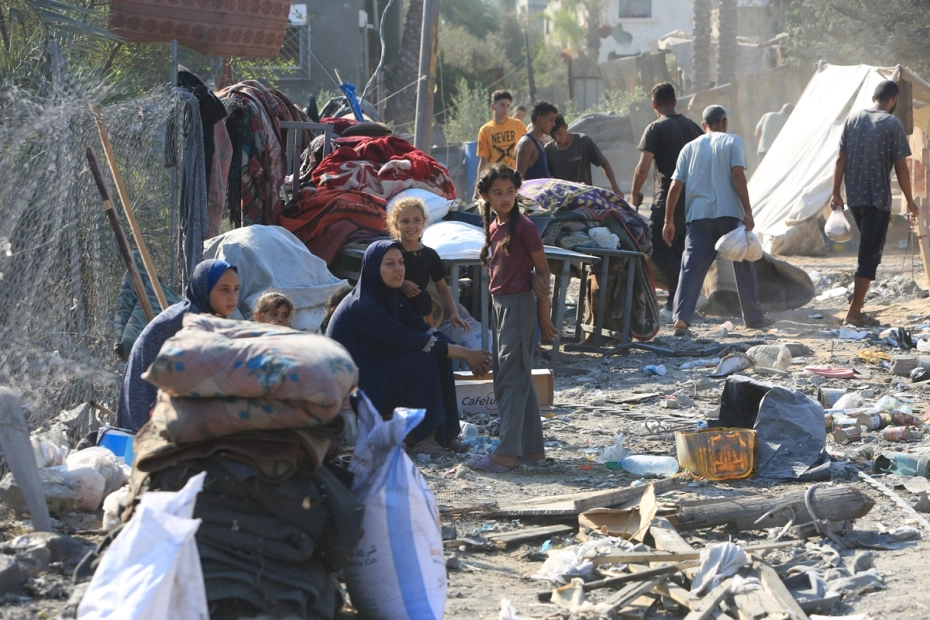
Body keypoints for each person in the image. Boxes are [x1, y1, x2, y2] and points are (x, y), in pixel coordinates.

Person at [326, 241, 492, 456]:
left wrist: (466, 353)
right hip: (353, 384)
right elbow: (413, 340)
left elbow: (425, 330)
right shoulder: (364, 305)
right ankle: (423, 438)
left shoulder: (392, 298)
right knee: (422, 360)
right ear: (374, 268)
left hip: (377, 370)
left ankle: (445, 435)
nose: (398, 269)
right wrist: (467, 354)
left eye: (401, 262)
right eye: (389, 263)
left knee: (438, 353)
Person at [471, 165, 557, 473]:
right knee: (516, 377)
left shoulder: (524, 227)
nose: (505, 198)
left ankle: (506, 453)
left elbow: (544, 274)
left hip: (519, 306)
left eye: (510, 192)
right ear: (485, 196)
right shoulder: (496, 224)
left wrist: (543, 318)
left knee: (510, 378)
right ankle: (532, 450)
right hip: (501, 306)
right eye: (498, 193)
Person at [663, 105, 772, 337]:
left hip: (698, 217)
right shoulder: (733, 142)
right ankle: (753, 317)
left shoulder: (688, 148)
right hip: (729, 214)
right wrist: (748, 210)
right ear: (724, 123)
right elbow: (737, 175)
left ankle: (681, 320)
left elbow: (675, 185)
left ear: (704, 126)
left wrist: (668, 220)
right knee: (742, 263)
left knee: (690, 268)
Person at [831, 80, 917, 327]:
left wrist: (836, 193)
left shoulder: (853, 118)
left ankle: (856, 300)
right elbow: (901, 167)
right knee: (869, 254)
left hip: (854, 198)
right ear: (894, 99)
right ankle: (854, 312)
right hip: (877, 199)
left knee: (868, 252)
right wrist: (910, 201)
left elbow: (840, 158)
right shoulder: (892, 124)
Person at [117, 259, 239, 431]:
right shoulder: (185, 322)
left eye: (236, 289)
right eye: (224, 289)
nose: (232, 296)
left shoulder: (204, 317)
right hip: (146, 417)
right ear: (205, 288)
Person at [630, 82, 705, 321]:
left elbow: (642, 168)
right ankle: (677, 304)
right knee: (680, 248)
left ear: (654, 105)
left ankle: (680, 288)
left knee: (656, 244)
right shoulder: (693, 127)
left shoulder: (655, 128)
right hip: (691, 201)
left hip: (666, 199)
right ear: (675, 101)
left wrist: (634, 194)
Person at [387, 197, 470, 330]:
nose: (411, 226)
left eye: (417, 220)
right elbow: (378, 279)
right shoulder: (389, 250)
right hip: (396, 315)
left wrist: (454, 313)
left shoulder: (429, 254)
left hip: (423, 316)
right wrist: (401, 284)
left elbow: (442, 288)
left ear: (424, 222)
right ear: (396, 224)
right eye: (405, 221)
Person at [546, 114, 623, 196]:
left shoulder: (583, 141)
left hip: (584, 195)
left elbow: (604, 163)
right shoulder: (549, 150)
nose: (557, 138)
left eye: (559, 133)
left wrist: (615, 188)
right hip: (561, 197)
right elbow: (546, 178)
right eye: (553, 136)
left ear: (566, 127)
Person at [475, 90, 526, 197]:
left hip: (516, 177)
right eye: (502, 105)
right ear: (493, 107)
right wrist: (477, 188)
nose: (505, 109)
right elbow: (484, 160)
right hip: (496, 179)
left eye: (508, 106)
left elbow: (526, 152)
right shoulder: (485, 130)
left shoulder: (518, 125)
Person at [516, 101, 558, 181]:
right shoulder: (526, 143)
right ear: (539, 119)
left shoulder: (539, 142)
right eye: (551, 120)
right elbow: (519, 179)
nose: (553, 124)